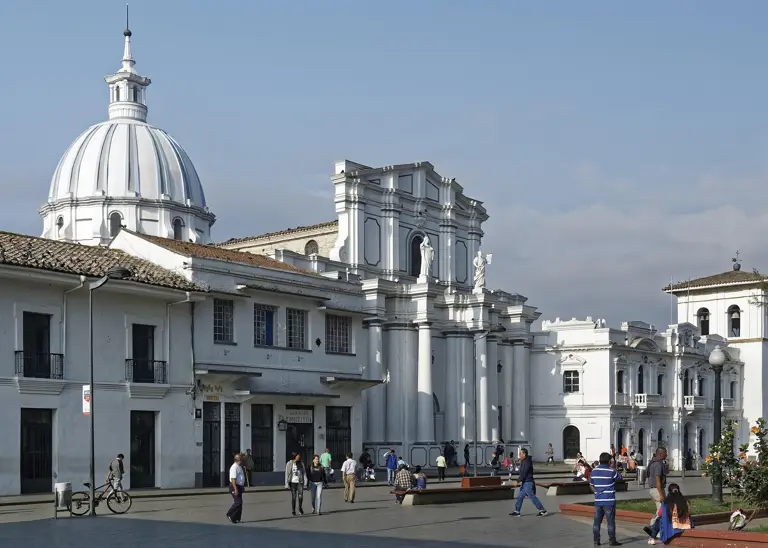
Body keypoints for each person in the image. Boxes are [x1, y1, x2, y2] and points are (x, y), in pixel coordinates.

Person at [590, 451, 623, 546]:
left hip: (598, 501)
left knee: (597, 522)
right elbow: (620, 478)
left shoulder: (594, 471)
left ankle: (596, 540)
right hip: (609, 501)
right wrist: (613, 467)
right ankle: (612, 541)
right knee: (610, 522)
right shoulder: (611, 471)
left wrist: (596, 492)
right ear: (609, 461)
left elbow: (591, 484)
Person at [509, 448, 547, 517]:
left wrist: (517, 481)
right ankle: (517, 511)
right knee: (520, 496)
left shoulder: (527, 462)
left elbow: (524, 473)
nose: (519, 455)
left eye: (520, 454)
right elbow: (522, 472)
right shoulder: (524, 461)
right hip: (525, 482)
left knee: (532, 496)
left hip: (528, 482)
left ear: (524, 454)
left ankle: (542, 510)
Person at [643, 447, 668, 540]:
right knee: (662, 511)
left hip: (653, 490)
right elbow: (658, 480)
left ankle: (654, 529)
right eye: (665, 453)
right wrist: (661, 494)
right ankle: (652, 528)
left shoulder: (652, 462)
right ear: (660, 454)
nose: (667, 455)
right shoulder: (658, 464)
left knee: (660, 510)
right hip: (657, 490)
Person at [226, 453, 246, 523]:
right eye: (241, 459)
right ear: (238, 460)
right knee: (238, 502)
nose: (243, 460)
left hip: (239, 486)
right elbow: (233, 479)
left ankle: (237, 518)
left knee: (240, 503)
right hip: (234, 486)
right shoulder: (234, 467)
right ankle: (230, 514)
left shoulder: (239, 466)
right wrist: (236, 489)